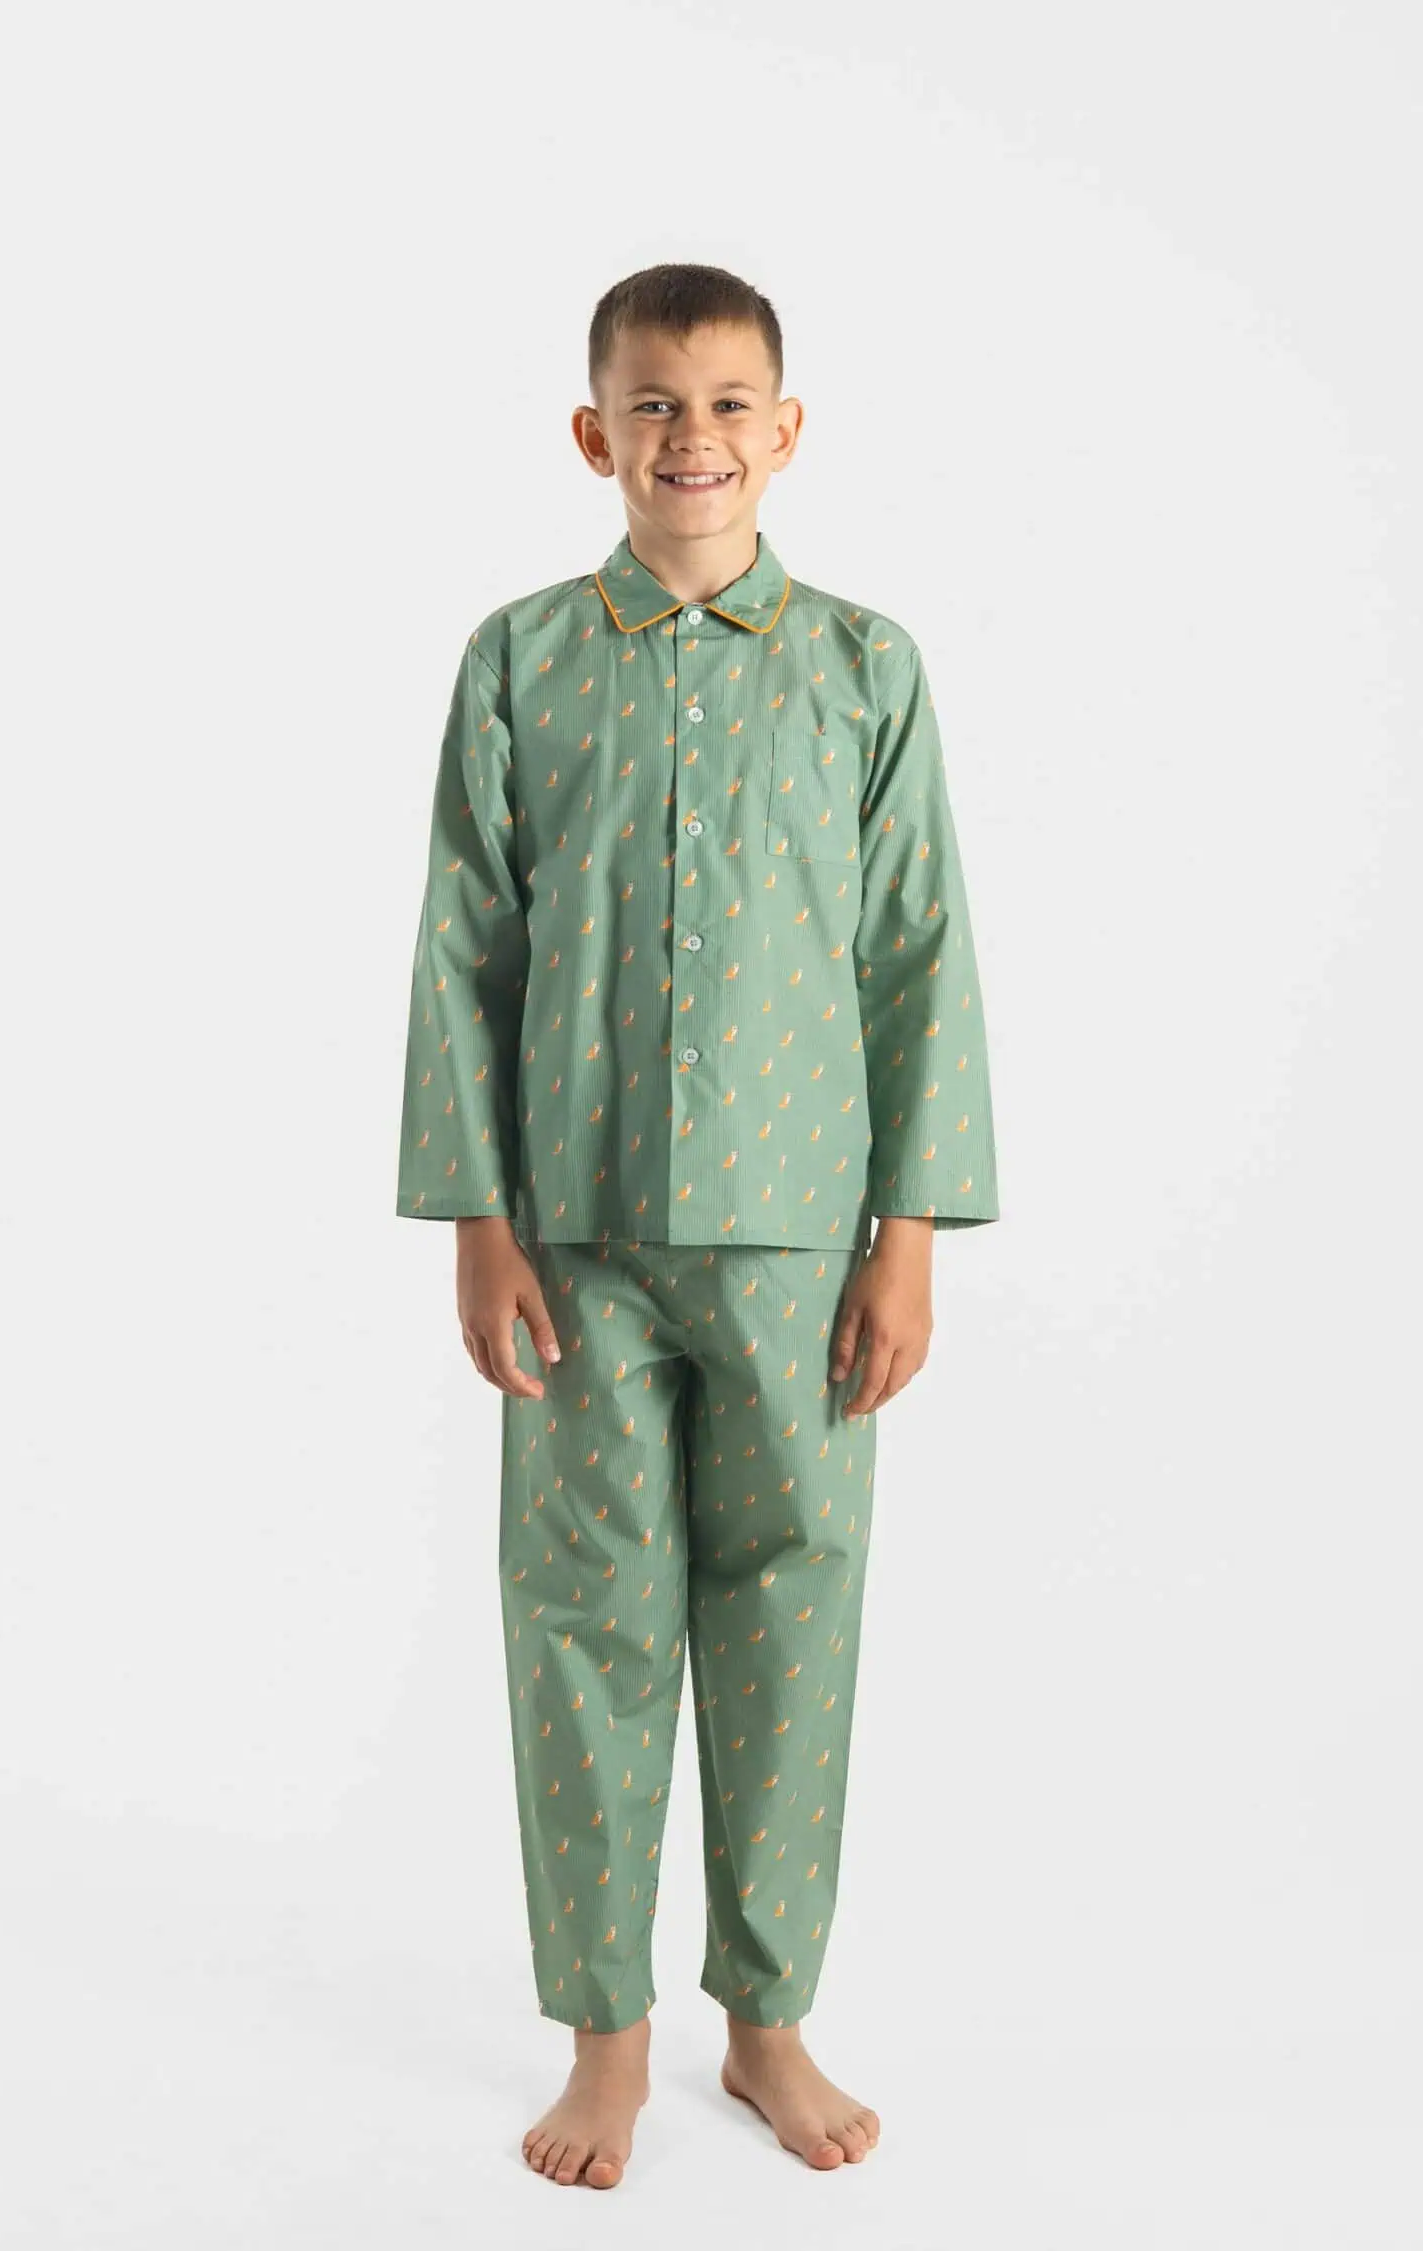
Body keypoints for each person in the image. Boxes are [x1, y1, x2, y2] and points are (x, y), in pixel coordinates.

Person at [395, 261, 1000, 2189]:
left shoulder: (866, 668)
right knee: (582, 1622)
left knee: (790, 1616)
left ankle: (768, 2020)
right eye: (655, 403)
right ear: (596, 434)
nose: (694, 437)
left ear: (786, 431)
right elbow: (464, 944)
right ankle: (606, 2039)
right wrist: (478, 1218)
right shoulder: (519, 659)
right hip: (573, 1235)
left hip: (803, 1245)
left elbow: (918, 953)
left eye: (731, 402)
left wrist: (908, 1233)